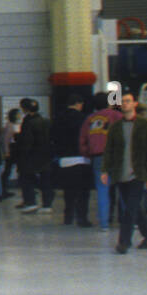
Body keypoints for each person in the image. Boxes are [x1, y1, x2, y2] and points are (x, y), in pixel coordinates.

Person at [101, 99, 147, 253]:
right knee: (134, 208)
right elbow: (109, 150)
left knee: (129, 209)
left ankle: (124, 242)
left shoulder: (146, 125)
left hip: (138, 174)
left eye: (128, 101)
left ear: (135, 104)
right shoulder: (115, 127)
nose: (125, 104)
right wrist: (105, 170)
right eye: (123, 102)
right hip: (121, 173)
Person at [79, 92, 122, 232]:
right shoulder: (116, 116)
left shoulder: (89, 119)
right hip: (117, 156)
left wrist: (88, 153)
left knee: (102, 190)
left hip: (98, 157)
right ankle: (130, 220)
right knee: (124, 188)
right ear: (109, 102)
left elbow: (82, 141)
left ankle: (104, 223)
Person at [52, 95, 92, 227]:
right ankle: (82, 218)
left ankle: (68, 217)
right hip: (81, 158)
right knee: (83, 192)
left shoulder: (58, 118)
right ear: (78, 104)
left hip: (64, 159)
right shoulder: (83, 118)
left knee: (68, 191)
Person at [16, 98, 55, 214]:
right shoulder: (46, 121)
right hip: (46, 155)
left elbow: (27, 141)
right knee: (46, 180)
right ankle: (47, 204)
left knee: (26, 178)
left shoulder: (28, 122)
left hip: (31, 156)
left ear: (25, 109)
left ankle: (31, 202)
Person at [1, 108, 22, 197]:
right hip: (12, 149)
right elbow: (6, 140)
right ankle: (3, 189)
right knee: (8, 169)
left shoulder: (19, 124)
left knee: (21, 169)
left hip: (18, 149)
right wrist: (6, 151)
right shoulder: (9, 125)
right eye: (18, 114)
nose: (19, 115)